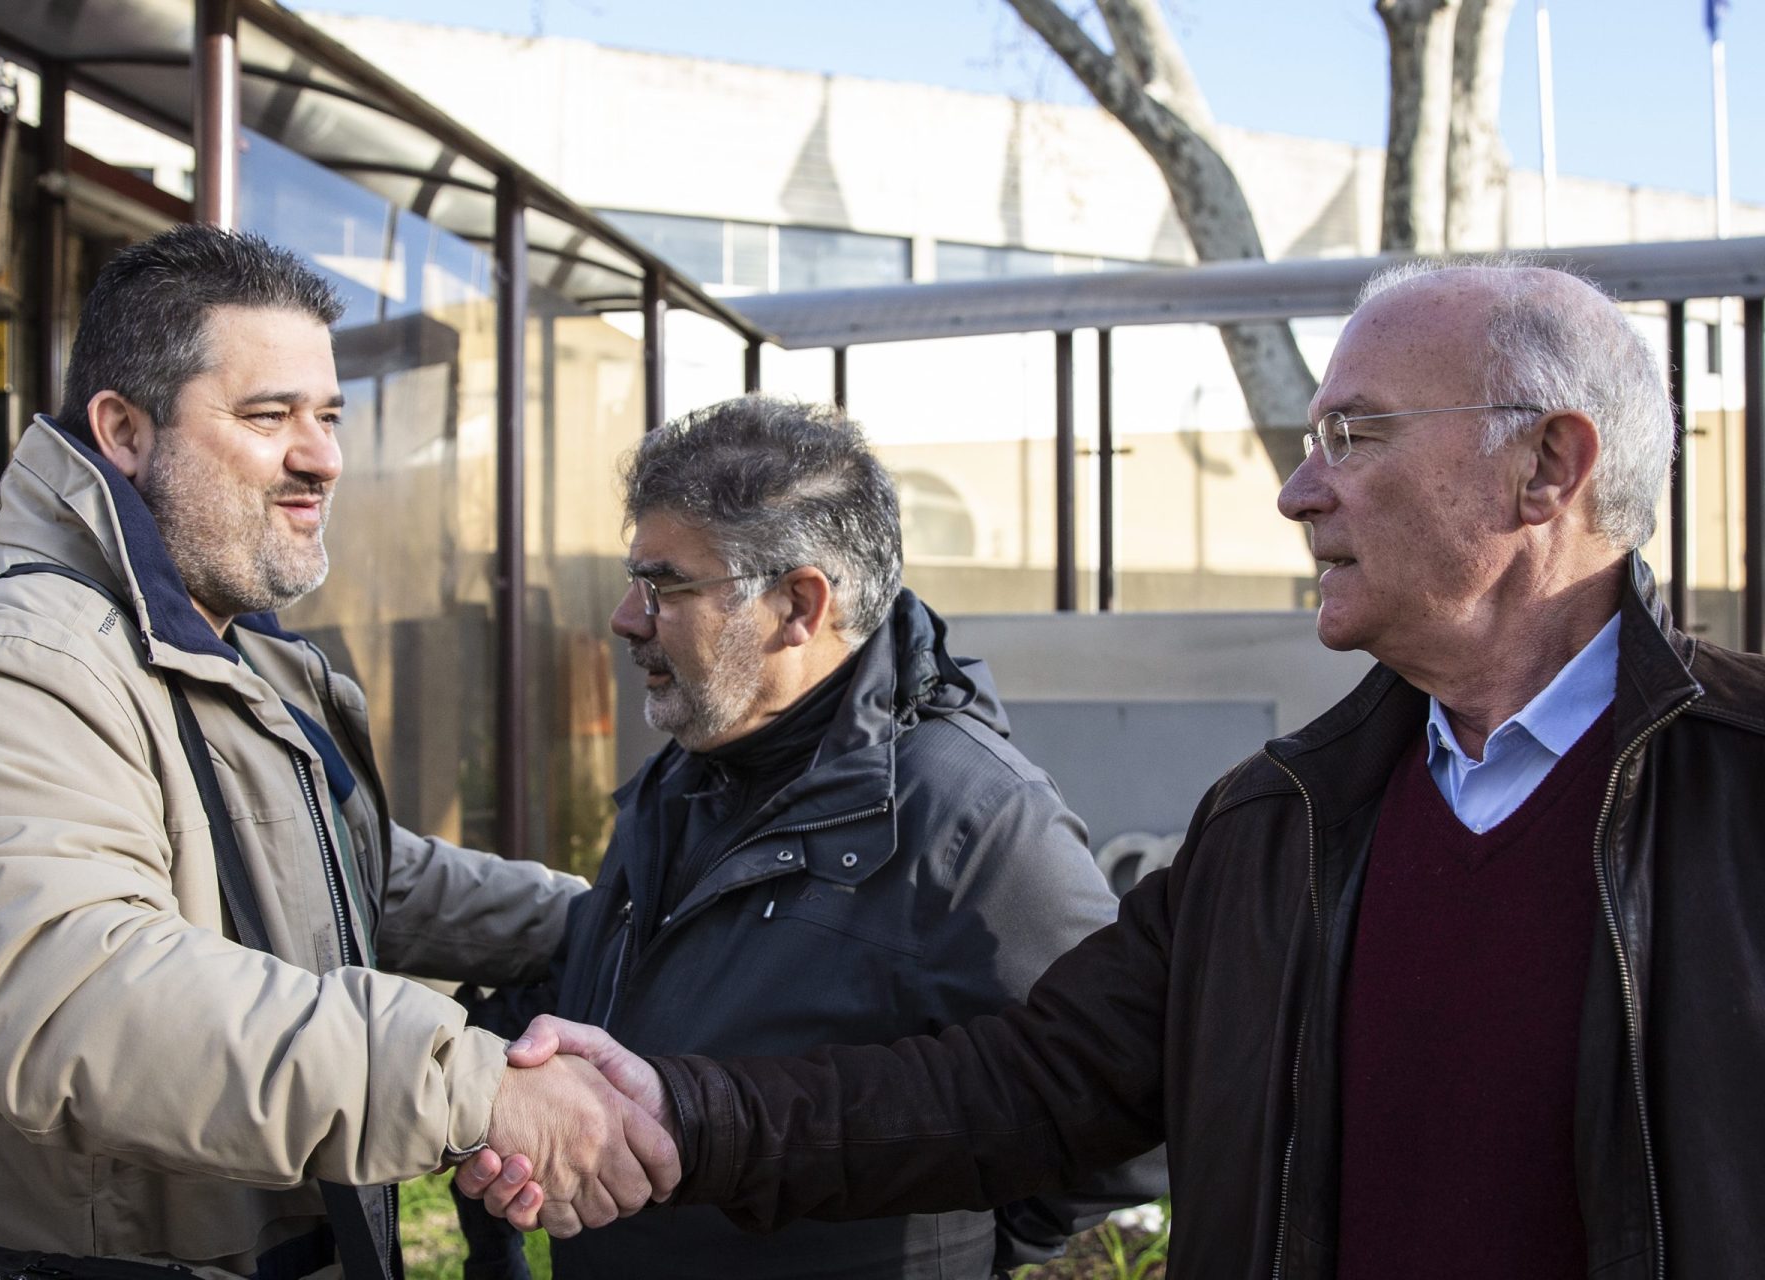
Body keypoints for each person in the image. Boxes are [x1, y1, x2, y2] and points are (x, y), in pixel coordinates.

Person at [461, 260, 1765, 1279]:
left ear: (1549, 467)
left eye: (1355, 436)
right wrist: (679, 1108)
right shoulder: (1280, 823)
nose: (1298, 493)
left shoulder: (1738, 794)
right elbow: (1020, 1085)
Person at [0, 224, 675, 1278]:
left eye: (328, 414)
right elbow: (68, 992)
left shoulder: (219, 641)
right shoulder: (9, 658)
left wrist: (596, 920)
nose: (322, 454)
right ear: (123, 431)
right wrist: (471, 1086)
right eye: (269, 414)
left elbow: (344, 868)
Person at [458, 395, 1156, 1279]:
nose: (628, 620)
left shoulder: (972, 819)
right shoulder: (680, 780)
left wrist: (967, 1246)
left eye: (665, 585)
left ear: (798, 604)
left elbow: (1120, 1112)